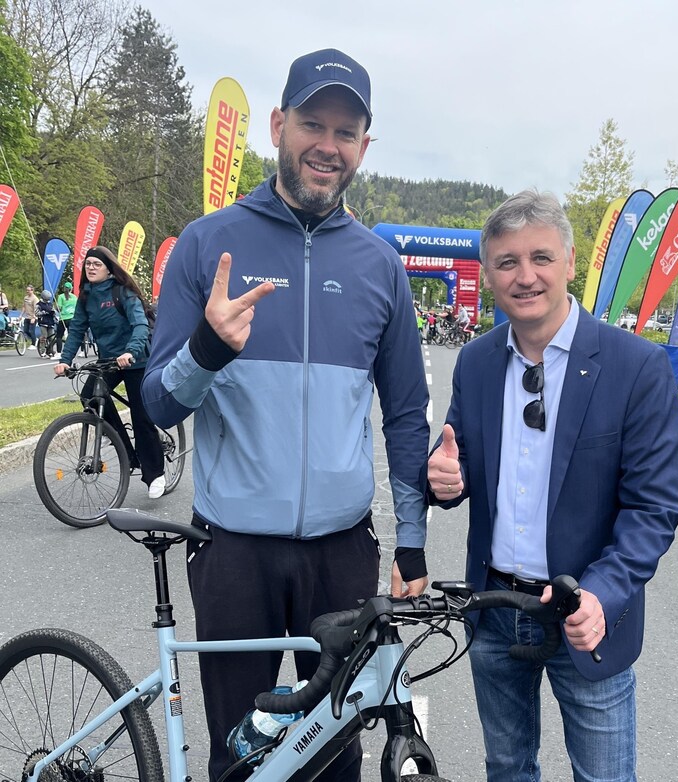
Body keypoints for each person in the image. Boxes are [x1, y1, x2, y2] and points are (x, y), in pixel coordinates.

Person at [141, 48, 430, 782]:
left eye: (345, 130)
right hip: (234, 549)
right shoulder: (208, 244)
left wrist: (413, 540)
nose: (326, 145)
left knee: (335, 750)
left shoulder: (380, 266)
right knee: (242, 754)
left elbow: (404, 414)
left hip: (341, 552)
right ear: (276, 126)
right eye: (311, 123)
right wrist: (207, 348)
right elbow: (158, 404)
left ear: (365, 145)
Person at [426, 190, 678, 782]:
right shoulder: (477, 361)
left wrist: (604, 593)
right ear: (488, 274)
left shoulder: (637, 367)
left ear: (571, 263)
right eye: (507, 262)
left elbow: (655, 506)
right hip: (494, 612)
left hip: (586, 616)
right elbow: (455, 464)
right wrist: (443, 479)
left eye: (540, 258)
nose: (525, 277)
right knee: (508, 768)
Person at [54, 246, 166, 499]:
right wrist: (65, 360)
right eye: (88, 264)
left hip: (136, 360)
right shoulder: (86, 296)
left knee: (141, 417)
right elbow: (77, 331)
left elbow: (139, 325)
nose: (91, 268)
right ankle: (125, 451)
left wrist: (131, 351)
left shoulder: (122, 292)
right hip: (108, 361)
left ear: (108, 268)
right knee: (91, 396)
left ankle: (155, 474)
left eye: (97, 264)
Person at [55, 281, 78, 357]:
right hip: (72, 318)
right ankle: (71, 352)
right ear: (71, 289)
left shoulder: (61, 296)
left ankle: (58, 352)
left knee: (59, 336)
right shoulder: (74, 297)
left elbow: (59, 308)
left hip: (63, 318)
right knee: (71, 336)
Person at [35, 290, 58, 358]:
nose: (47, 300)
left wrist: (54, 313)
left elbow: (54, 311)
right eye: (46, 298)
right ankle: (42, 351)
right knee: (44, 336)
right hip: (43, 323)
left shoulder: (50, 304)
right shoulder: (39, 305)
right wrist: (44, 312)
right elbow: (36, 313)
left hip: (50, 322)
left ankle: (50, 350)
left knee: (51, 338)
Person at [21, 285, 38, 349]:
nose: (27, 291)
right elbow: (24, 307)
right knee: (25, 331)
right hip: (27, 317)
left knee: (31, 331)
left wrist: (34, 317)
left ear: (32, 290)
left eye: (28, 290)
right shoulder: (25, 298)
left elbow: (36, 309)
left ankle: (33, 344)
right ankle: (35, 339)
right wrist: (21, 315)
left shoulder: (35, 298)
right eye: (27, 290)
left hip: (33, 318)